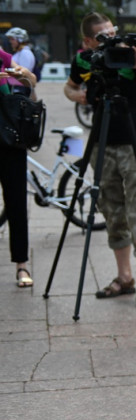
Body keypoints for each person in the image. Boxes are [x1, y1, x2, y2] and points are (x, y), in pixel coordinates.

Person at [64, 12, 136, 308]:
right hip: (101, 143)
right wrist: (82, 97)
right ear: (88, 41)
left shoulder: (129, 55)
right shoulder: (84, 61)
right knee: (112, 211)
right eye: (103, 36)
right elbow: (69, 87)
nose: (111, 39)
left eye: (113, 32)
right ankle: (124, 277)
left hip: (135, 143)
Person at [1, 50, 37, 288]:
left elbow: (31, 83)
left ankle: (21, 264)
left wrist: (24, 75)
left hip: (8, 137)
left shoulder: (2, 56)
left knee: (16, 202)